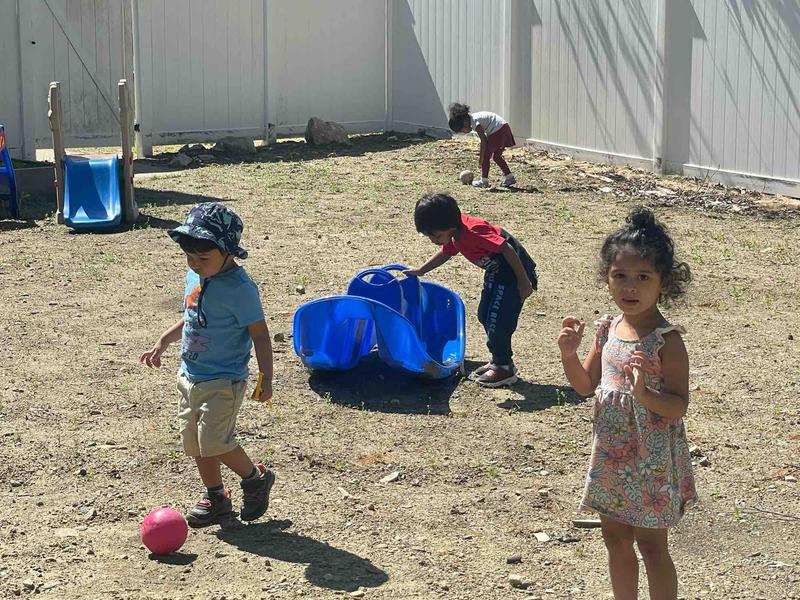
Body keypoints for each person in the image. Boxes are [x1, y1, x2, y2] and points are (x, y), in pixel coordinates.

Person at [557, 206, 697, 600]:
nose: (629, 287)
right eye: (620, 276)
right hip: (612, 455)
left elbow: (678, 406)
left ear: (663, 284)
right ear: (607, 279)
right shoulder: (607, 328)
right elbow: (585, 385)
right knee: (614, 538)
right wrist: (570, 354)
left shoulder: (667, 341)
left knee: (653, 547)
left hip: (650, 461)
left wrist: (645, 394)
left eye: (642, 278)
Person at [140, 202, 275, 528]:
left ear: (228, 252)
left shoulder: (241, 290)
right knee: (195, 443)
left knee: (216, 441)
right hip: (189, 376)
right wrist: (165, 339)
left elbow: (260, 334)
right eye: (190, 257)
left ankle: (255, 477)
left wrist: (265, 377)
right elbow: (191, 317)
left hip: (223, 380)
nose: (195, 264)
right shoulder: (196, 275)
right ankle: (216, 496)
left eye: (203, 258)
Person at [406, 192, 537, 387]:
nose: (434, 240)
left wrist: (524, 282)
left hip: (513, 276)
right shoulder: (455, 234)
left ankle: (504, 368)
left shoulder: (473, 232)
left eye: (437, 236)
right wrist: (421, 270)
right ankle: (497, 359)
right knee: (484, 314)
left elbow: (507, 249)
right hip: (497, 274)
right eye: (430, 236)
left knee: (498, 320)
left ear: (449, 226)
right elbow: (446, 253)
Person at [448, 102, 516, 188]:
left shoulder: (474, 121)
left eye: (462, 130)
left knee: (485, 156)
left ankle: (484, 181)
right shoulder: (474, 118)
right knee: (496, 156)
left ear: (465, 122)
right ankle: (509, 177)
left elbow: (483, 141)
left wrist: (481, 158)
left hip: (498, 131)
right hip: (504, 128)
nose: (464, 133)